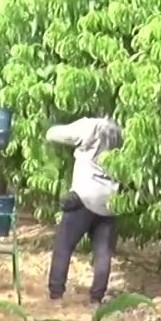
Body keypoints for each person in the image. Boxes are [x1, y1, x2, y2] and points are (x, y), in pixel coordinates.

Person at [43, 116, 123, 304]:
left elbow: (52, 134)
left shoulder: (90, 125)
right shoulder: (119, 132)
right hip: (110, 200)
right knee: (103, 253)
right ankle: (96, 299)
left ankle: (56, 295)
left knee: (63, 246)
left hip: (84, 196)